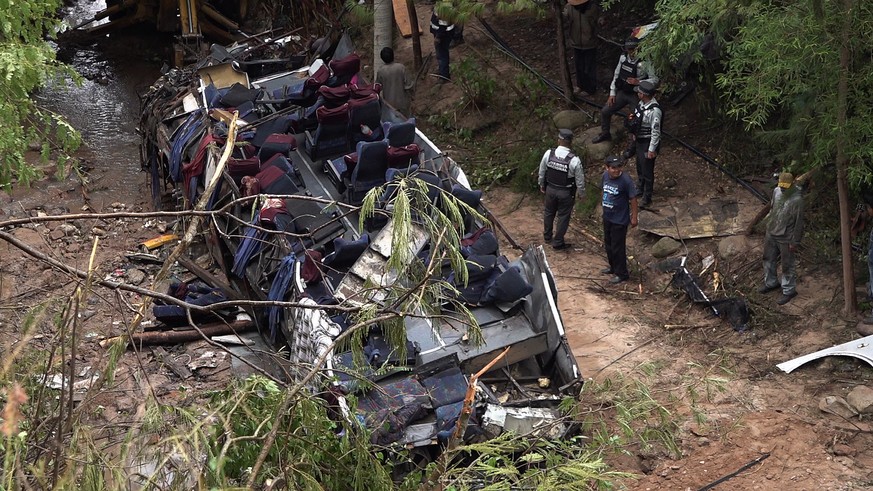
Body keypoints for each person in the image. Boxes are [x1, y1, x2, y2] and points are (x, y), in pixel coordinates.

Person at [592, 36, 659, 144]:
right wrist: (612, 93)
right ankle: (605, 133)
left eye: (633, 49)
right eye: (629, 49)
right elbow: (616, 75)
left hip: (636, 94)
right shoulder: (623, 58)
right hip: (622, 91)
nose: (631, 51)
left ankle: (634, 144)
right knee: (605, 111)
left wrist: (639, 82)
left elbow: (655, 80)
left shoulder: (645, 61)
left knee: (636, 119)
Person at [758, 172, 804, 305]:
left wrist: (795, 241)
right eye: (781, 186)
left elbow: (798, 222)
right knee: (768, 258)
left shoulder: (797, 200)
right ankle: (771, 282)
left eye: (786, 187)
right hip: (772, 232)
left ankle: (789, 290)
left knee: (787, 265)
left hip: (786, 236)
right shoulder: (776, 191)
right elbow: (772, 208)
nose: (783, 189)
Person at [538, 128, 586, 250]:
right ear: (571, 142)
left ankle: (547, 237)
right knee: (563, 216)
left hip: (550, 189)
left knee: (549, 213)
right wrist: (582, 194)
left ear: (559, 140)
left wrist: (541, 184)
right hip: (566, 192)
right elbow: (580, 180)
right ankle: (558, 242)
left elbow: (542, 170)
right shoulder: (574, 160)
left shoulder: (549, 153)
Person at [601, 155, 638, 284]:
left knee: (618, 247)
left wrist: (634, 217)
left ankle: (622, 273)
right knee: (608, 244)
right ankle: (613, 267)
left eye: (618, 167)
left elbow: (633, 199)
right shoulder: (605, 176)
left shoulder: (626, 180)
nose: (616, 170)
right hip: (608, 216)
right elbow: (604, 191)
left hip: (619, 219)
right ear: (607, 168)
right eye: (613, 168)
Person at [625, 80, 662, 207]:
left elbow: (655, 131)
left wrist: (652, 149)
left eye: (640, 92)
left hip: (647, 142)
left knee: (647, 170)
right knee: (640, 166)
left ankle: (647, 196)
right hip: (639, 140)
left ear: (644, 94)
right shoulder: (641, 104)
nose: (638, 94)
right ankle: (640, 188)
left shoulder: (655, 111)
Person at [563, 0, 600, 96]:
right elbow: (564, 17)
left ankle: (590, 88)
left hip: (590, 42)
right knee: (579, 66)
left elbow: (598, 20)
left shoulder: (593, 7)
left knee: (589, 67)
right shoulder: (569, 7)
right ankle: (580, 85)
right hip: (576, 42)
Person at [374, 47, 414, 116]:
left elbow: (377, 87)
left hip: (390, 105)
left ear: (382, 59)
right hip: (403, 103)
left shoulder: (381, 71)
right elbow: (409, 85)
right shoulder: (401, 67)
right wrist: (412, 97)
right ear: (393, 55)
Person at [430, 9, 455, 82]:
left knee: (442, 55)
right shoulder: (441, 5)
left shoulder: (444, 6)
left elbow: (443, 24)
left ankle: (444, 76)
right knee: (441, 54)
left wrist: (438, 37)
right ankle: (442, 71)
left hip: (443, 36)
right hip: (443, 34)